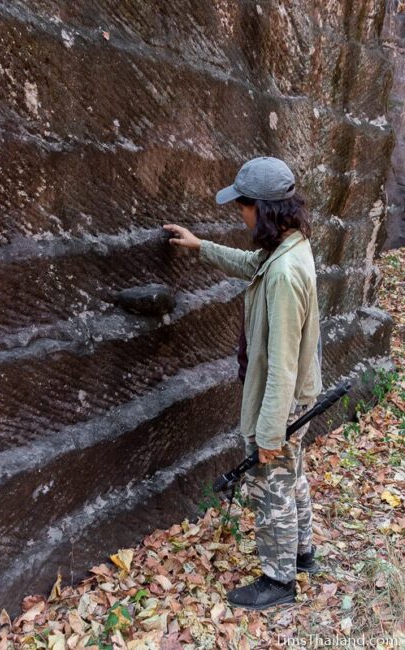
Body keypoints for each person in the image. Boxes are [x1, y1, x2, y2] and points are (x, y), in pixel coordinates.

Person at [162, 156, 323, 611]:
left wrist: (269, 431)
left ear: (265, 209)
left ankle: (279, 582)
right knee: (293, 478)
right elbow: (252, 262)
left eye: (245, 205)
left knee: (272, 483)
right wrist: (201, 246)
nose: (241, 213)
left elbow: (283, 365)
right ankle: (303, 555)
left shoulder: (286, 274)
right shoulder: (288, 248)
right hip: (298, 397)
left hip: (284, 400)